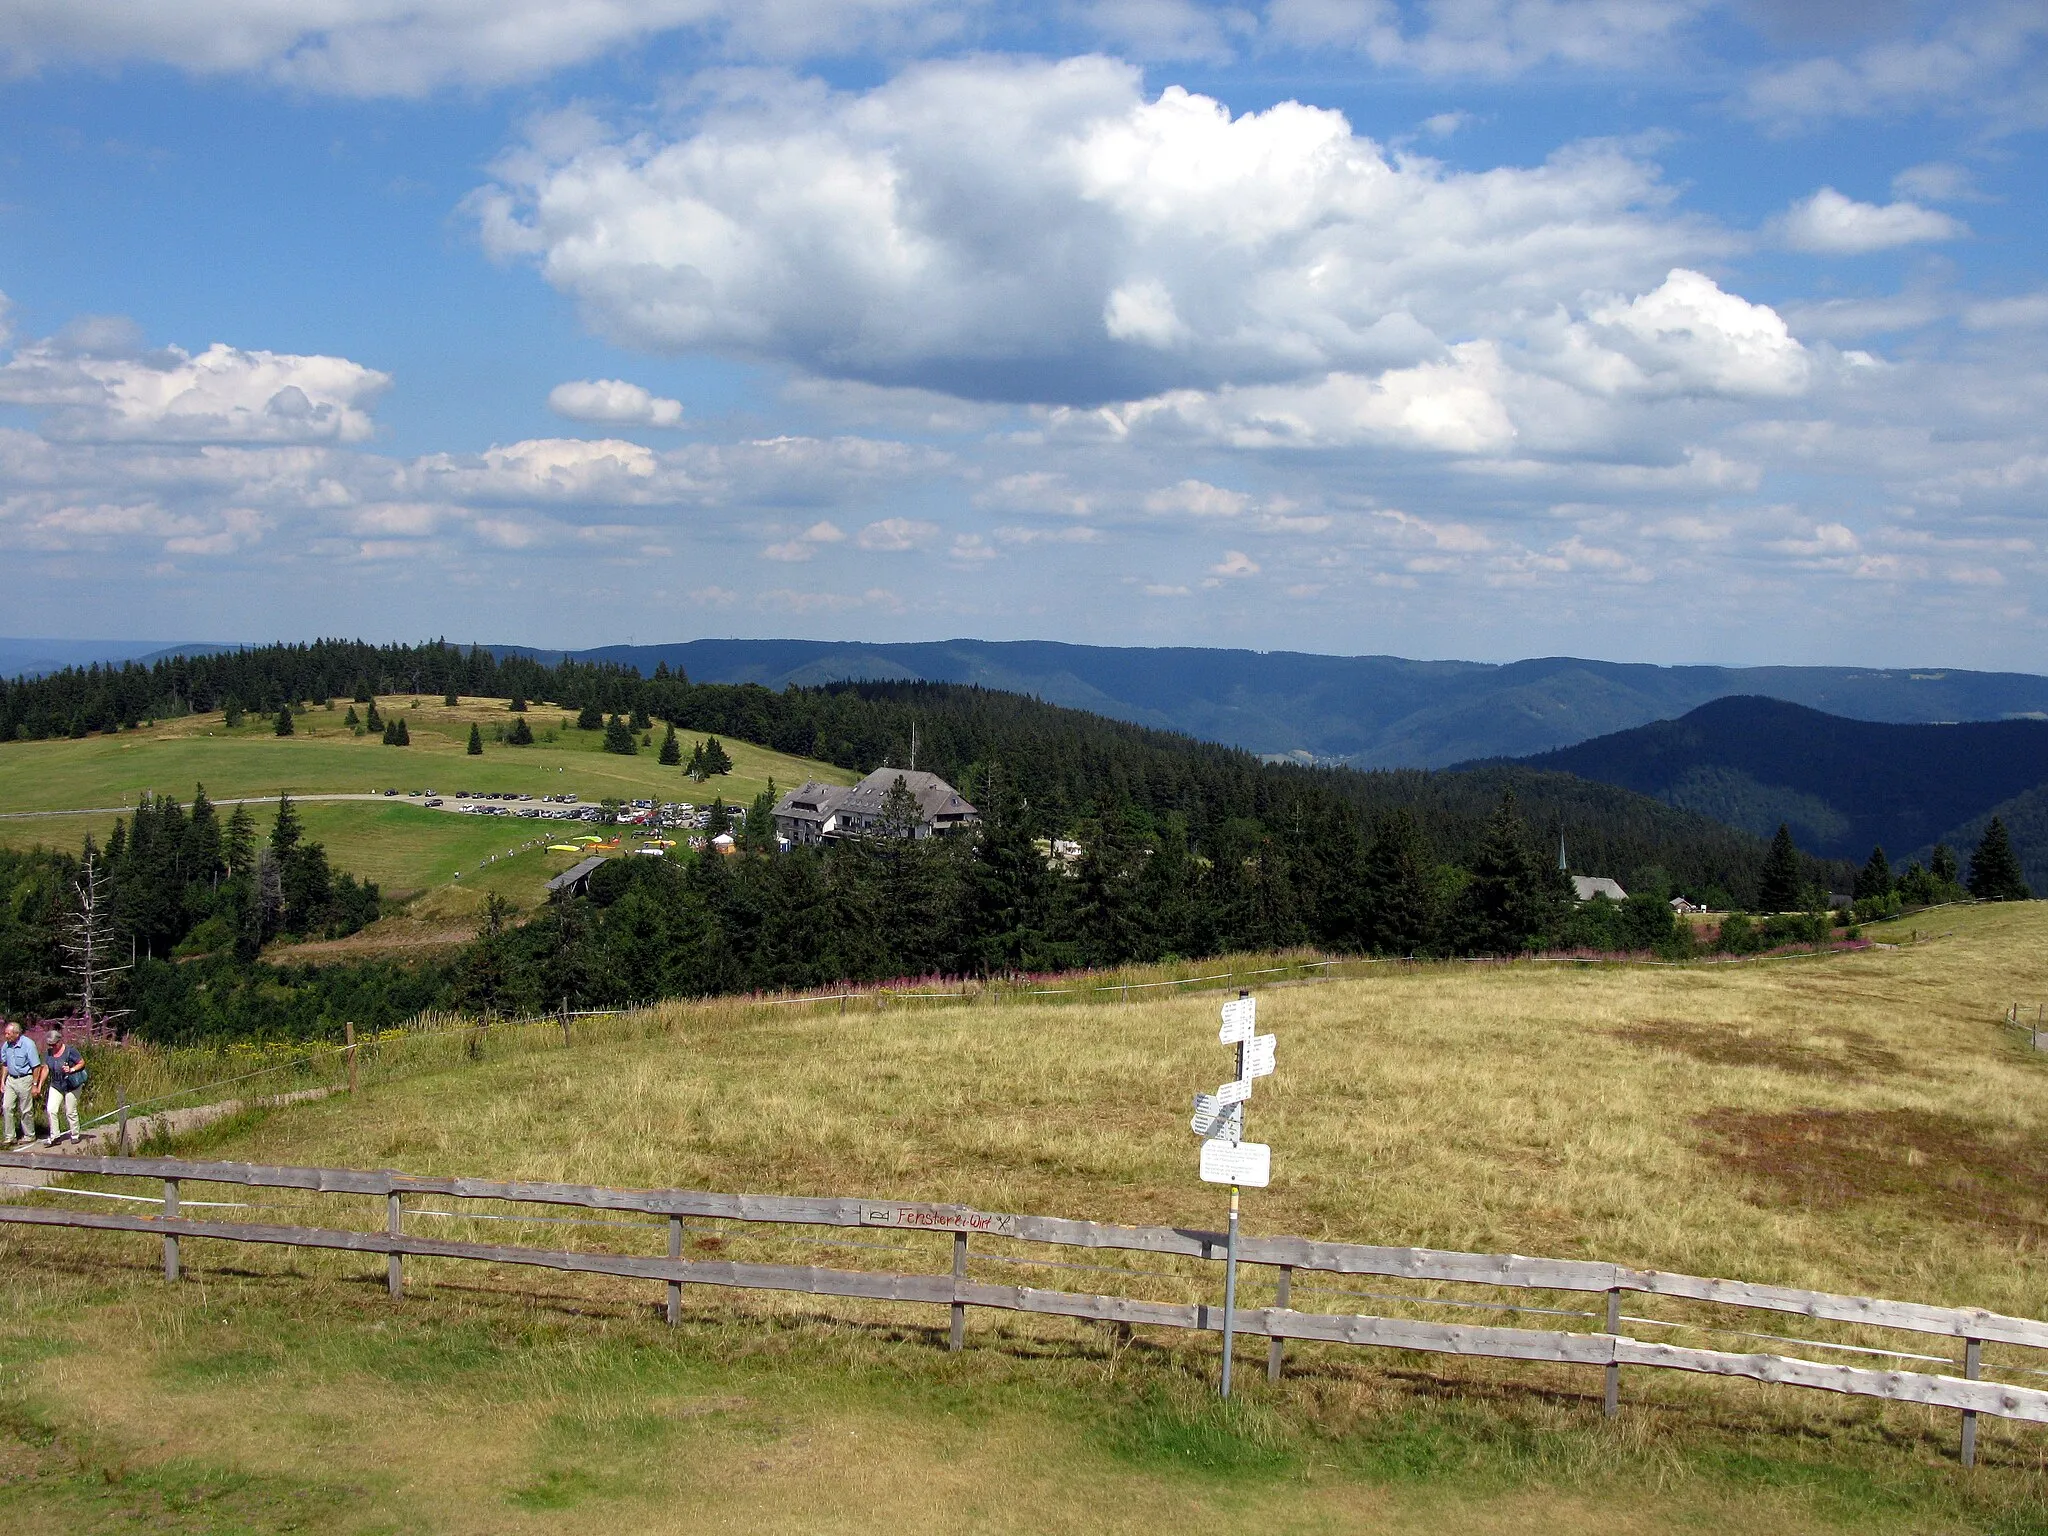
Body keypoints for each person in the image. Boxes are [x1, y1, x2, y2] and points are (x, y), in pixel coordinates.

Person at [39, 1025, 85, 1146]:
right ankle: (55, 1136)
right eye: (49, 1045)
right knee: (51, 1109)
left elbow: (81, 1062)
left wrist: (71, 1069)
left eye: (53, 1044)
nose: (52, 1047)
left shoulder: (70, 1050)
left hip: (71, 1084)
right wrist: (38, 1085)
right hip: (56, 1084)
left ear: (60, 1041)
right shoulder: (48, 1054)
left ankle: (75, 1134)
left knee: (70, 1111)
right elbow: (45, 1069)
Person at [1, 1021, 41, 1144]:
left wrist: (35, 1085)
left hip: (25, 1079)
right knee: (6, 1107)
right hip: (11, 1080)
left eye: (8, 1034)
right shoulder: (6, 1046)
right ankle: (10, 1137)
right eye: (5, 1033)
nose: (6, 1036)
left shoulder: (28, 1045)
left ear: (17, 1034)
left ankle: (29, 1135)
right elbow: (5, 1064)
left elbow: (36, 1066)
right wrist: (2, 1081)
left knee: (25, 1109)